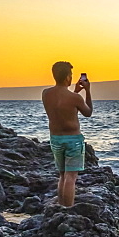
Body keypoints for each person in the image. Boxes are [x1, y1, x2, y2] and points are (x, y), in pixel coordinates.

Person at [42, 61, 92, 206]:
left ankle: (61, 206)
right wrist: (87, 91)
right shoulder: (75, 98)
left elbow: (64, 109)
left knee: (62, 175)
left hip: (56, 139)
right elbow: (87, 112)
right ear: (68, 78)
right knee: (71, 176)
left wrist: (75, 92)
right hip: (73, 141)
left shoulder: (46, 94)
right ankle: (68, 210)